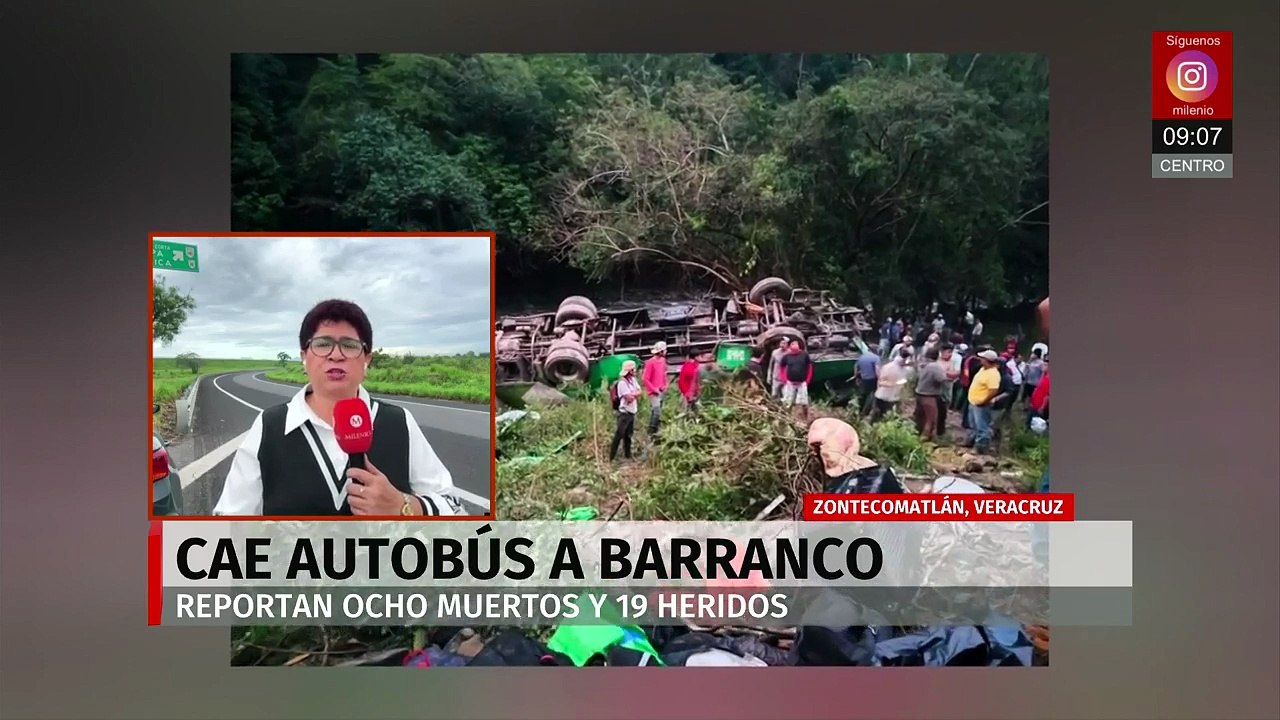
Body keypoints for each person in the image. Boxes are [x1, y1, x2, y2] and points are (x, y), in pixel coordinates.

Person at [214, 299, 460, 516]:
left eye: (350, 345)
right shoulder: (270, 426)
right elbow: (230, 520)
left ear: (367, 359)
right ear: (304, 356)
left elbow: (453, 506)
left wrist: (404, 506)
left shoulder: (398, 422)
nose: (336, 355)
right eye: (323, 344)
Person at [964, 349, 1005, 454]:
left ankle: (980, 448)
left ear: (987, 360)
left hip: (981, 404)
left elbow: (993, 390)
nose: (980, 360)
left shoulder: (993, 374)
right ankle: (971, 442)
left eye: (982, 358)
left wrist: (984, 400)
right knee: (973, 424)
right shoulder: (983, 369)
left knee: (982, 426)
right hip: (973, 401)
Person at [610, 360, 642, 461]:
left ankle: (628, 455)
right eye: (633, 369)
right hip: (624, 413)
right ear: (630, 371)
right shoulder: (622, 383)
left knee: (628, 435)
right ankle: (611, 457)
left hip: (632, 412)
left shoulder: (633, 380)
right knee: (619, 435)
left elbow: (639, 391)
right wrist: (634, 393)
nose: (635, 370)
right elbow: (629, 398)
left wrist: (633, 393)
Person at [913, 348, 946, 441]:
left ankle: (916, 434)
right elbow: (941, 379)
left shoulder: (922, 364)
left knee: (920, 416)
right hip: (929, 395)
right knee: (930, 419)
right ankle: (925, 439)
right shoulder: (935, 367)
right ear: (937, 356)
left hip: (919, 393)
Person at [870, 347, 910, 422]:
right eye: (904, 361)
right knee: (878, 414)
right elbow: (881, 381)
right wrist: (893, 384)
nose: (905, 363)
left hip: (894, 397)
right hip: (884, 396)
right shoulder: (888, 367)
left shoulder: (904, 369)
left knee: (889, 417)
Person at [777, 340, 814, 421]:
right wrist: (784, 379)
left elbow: (810, 367)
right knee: (787, 402)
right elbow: (782, 367)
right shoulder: (786, 357)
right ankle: (786, 418)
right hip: (790, 382)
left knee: (804, 402)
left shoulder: (804, 355)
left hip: (802, 382)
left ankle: (805, 418)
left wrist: (808, 379)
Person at [642, 341, 669, 438]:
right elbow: (645, 379)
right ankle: (651, 432)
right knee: (656, 411)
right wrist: (653, 389)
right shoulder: (650, 362)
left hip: (661, 390)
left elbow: (664, 374)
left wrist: (666, 385)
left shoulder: (662, 361)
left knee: (658, 412)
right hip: (654, 392)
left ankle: (656, 431)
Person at [938, 342, 962, 439]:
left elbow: (956, 373)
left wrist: (943, 373)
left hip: (948, 383)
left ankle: (942, 421)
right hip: (937, 383)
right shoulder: (938, 355)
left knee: (946, 401)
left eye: (946, 352)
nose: (943, 354)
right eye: (942, 352)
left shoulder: (956, 358)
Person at [853, 345, 881, 417]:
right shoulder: (876, 358)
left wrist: (856, 377)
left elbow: (856, 367)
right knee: (871, 396)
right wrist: (879, 380)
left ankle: (859, 411)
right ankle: (866, 412)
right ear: (876, 351)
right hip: (872, 379)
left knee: (863, 395)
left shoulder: (861, 357)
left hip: (863, 379)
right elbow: (877, 369)